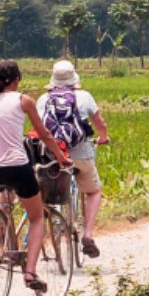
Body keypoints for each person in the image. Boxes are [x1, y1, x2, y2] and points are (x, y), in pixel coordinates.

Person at [0, 60, 70, 292]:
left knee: (6, 196)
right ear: (17, 79)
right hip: (17, 166)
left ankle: (2, 234)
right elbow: (45, 134)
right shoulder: (23, 100)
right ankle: (30, 273)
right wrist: (61, 158)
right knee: (37, 216)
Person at [39, 60, 110, 258]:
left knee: (45, 194)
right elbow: (99, 124)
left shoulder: (44, 99)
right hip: (81, 155)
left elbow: (40, 129)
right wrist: (103, 137)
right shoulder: (85, 96)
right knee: (94, 192)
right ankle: (87, 235)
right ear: (74, 78)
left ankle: (42, 228)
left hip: (53, 156)